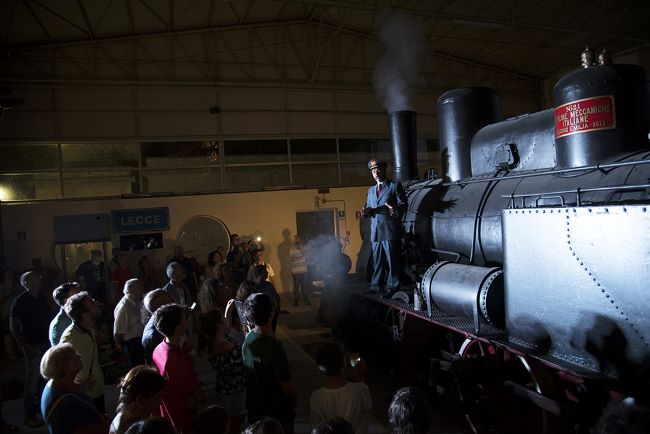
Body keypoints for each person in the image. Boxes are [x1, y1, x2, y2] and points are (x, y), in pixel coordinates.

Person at [242, 293, 296, 434]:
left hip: (256, 407)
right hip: (276, 411)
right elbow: (287, 385)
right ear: (271, 313)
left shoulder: (247, 339)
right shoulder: (274, 346)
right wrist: (293, 402)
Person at [152, 303, 206, 432]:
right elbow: (199, 396)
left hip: (166, 413)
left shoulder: (159, 348)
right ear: (177, 326)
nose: (186, 321)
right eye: (183, 318)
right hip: (181, 417)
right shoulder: (174, 359)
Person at [360, 158, 407, 296]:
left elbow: (403, 205)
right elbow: (369, 207)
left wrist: (394, 209)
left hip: (390, 230)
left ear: (385, 170)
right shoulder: (371, 191)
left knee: (392, 260)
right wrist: (365, 212)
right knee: (377, 260)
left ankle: (393, 287)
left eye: (378, 169)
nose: (376, 172)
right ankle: (376, 285)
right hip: (376, 231)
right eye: (373, 171)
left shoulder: (394, 186)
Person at [10, 271, 50, 428]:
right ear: (27, 283)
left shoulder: (41, 297)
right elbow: (13, 327)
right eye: (35, 277)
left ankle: (41, 408)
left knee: (44, 379)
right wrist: (25, 346)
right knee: (31, 381)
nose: (40, 277)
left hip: (44, 342)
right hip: (32, 345)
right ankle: (29, 415)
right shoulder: (19, 301)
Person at [40, 343, 108, 434]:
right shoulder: (65, 402)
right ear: (65, 367)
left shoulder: (54, 383)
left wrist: (81, 386)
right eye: (75, 356)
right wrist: (114, 424)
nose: (79, 356)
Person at [309, 343, 372, 434]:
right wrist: (360, 375)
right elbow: (367, 408)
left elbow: (316, 426)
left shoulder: (315, 398)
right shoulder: (361, 390)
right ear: (344, 362)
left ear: (319, 367)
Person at [60, 291, 106, 413]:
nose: (96, 303)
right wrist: (78, 386)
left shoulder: (89, 329)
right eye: (92, 303)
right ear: (85, 316)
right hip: (84, 395)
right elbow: (62, 369)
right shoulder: (69, 338)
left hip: (96, 390)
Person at [203, 310, 246, 431]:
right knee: (236, 421)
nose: (226, 320)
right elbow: (242, 363)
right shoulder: (226, 346)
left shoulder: (213, 341)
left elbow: (226, 330)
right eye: (223, 319)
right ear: (218, 326)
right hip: (235, 389)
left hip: (224, 386)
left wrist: (227, 312)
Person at [109, 365, 167, 434]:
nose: (160, 403)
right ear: (140, 400)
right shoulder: (135, 430)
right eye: (156, 398)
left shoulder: (127, 412)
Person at [114, 278, 145, 367]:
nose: (143, 288)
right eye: (140, 287)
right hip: (132, 345)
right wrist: (123, 349)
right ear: (131, 290)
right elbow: (118, 333)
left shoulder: (138, 302)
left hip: (140, 341)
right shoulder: (124, 307)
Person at [141, 289, 172, 365]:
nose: (172, 301)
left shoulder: (156, 322)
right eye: (169, 300)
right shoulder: (156, 333)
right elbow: (165, 364)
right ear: (163, 306)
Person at [49, 281, 81, 346]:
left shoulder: (77, 314)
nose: (82, 296)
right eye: (77, 295)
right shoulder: (61, 323)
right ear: (67, 301)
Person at [0, 268, 20, 359]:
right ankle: (10, 353)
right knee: (8, 334)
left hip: (18, 313)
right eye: (8, 274)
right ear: (4, 276)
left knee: (19, 332)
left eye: (11, 273)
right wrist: (8, 295)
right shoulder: (2, 287)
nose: (10, 275)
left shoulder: (16, 285)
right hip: (6, 313)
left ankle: (20, 350)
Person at [289, 236, 310, 307]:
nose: (298, 240)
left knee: (305, 286)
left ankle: (306, 300)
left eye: (299, 239)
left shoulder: (304, 248)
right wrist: (301, 257)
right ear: (294, 241)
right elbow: (292, 259)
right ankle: (296, 301)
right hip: (295, 271)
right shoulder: (291, 249)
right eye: (296, 239)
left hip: (304, 270)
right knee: (296, 287)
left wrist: (301, 250)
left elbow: (307, 256)